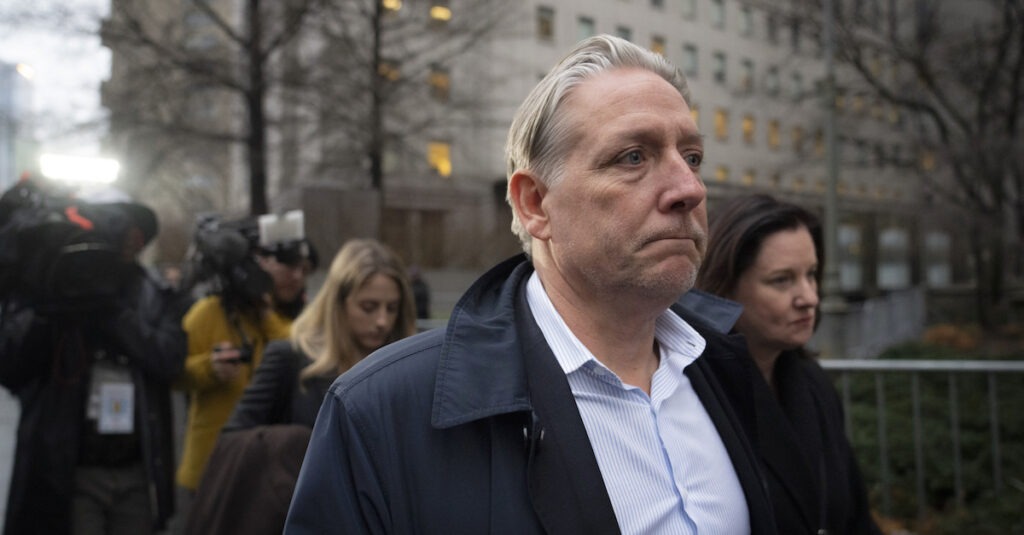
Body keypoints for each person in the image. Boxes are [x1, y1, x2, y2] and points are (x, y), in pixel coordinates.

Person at [285, 34, 776, 534]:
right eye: (633, 157)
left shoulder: (730, 370)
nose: (689, 189)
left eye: (691, 157)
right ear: (535, 204)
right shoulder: (380, 413)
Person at [184, 239, 417, 535]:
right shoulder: (289, 357)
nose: (382, 320)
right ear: (338, 303)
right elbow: (234, 440)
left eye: (392, 308)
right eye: (368, 307)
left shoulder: (404, 370)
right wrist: (295, 447)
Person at [696, 193, 882, 535]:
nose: (809, 298)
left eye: (811, 275)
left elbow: (855, 515)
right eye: (782, 280)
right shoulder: (697, 397)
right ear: (726, 287)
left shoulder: (813, 383)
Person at [0, 194, 186, 534]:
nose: (132, 240)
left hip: (136, 472)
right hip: (69, 472)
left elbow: (169, 359)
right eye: (123, 229)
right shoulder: (53, 288)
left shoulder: (153, 294)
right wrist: (52, 309)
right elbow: (11, 367)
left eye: (139, 233)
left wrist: (112, 312)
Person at [173, 221, 293, 495]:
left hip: (262, 469)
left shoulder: (271, 315)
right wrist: (210, 368)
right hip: (209, 465)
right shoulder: (205, 313)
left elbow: (295, 350)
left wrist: (265, 314)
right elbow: (175, 371)